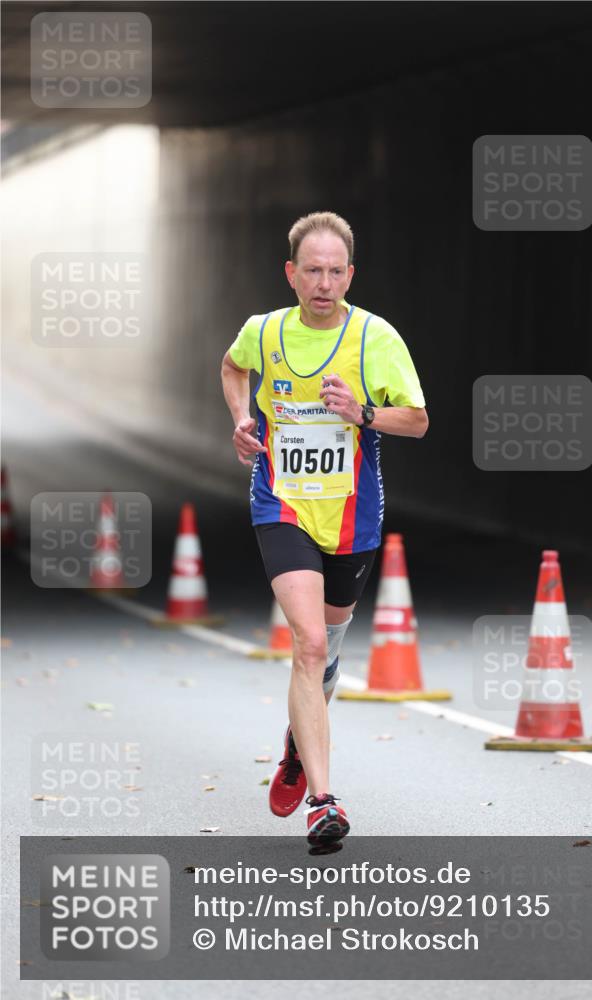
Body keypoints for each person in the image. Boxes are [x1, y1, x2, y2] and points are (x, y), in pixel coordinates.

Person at [221, 211, 427, 846]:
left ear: (350, 274)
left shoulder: (376, 339)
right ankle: (323, 801)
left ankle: (295, 746)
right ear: (291, 273)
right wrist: (241, 421)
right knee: (308, 644)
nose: (325, 282)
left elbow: (417, 420)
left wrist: (362, 411)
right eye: (313, 270)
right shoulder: (265, 332)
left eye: (337, 271)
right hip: (281, 503)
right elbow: (233, 367)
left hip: (352, 516)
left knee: (328, 652)